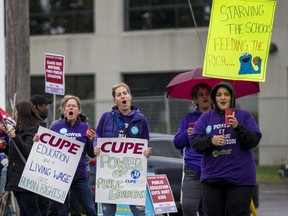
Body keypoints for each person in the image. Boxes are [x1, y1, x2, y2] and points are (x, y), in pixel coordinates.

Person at [189, 81, 262, 216]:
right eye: (219, 95)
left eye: (226, 94)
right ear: (214, 98)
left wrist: (238, 127)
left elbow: (253, 140)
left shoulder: (244, 116)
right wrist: (211, 140)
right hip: (212, 179)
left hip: (240, 179)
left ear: (232, 97)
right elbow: (194, 142)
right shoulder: (206, 117)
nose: (222, 98)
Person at [93, 82, 152, 216]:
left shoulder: (141, 119)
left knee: (138, 212)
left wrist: (146, 151)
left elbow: (145, 141)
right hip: (109, 175)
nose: (122, 96)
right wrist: (96, 146)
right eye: (119, 95)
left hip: (132, 175)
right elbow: (98, 135)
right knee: (108, 213)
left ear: (130, 96)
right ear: (115, 100)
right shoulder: (106, 117)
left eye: (125, 93)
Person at [49, 94, 96, 216]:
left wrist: (92, 141)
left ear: (79, 110)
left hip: (79, 175)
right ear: (64, 110)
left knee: (90, 209)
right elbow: (47, 149)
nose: (71, 108)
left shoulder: (86, 127)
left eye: (74, 106)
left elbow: (91, 153)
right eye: (68, 106)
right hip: (60, 176)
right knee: (62, 212)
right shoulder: (55, 127)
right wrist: (39, 140)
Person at [173, 83, 212, 216]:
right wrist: (187, 133)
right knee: (188, 209)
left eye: (207, 94)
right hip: (193, 171)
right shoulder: (188, 119)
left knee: (211, 210)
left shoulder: (218, 117)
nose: (205, 97)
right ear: (195, 99)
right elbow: (177, 143)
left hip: (214, 170)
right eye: (201, 95)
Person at [0, 100, 43, 215]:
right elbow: (15, 154)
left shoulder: (34, 130)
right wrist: (4, 147)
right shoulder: (18, 130)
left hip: (27, 178)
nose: (14, 115)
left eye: (16, 112)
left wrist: (15, 137)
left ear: (22, 113)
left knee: (31, 210)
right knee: (23, 210)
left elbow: (28, 151)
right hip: (16, 177)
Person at [30, 94, 53, 216]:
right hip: (37, 176)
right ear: (37, 107)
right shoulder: (34, 126)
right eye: (45, 105)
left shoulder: (40, 124)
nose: (47, 108)